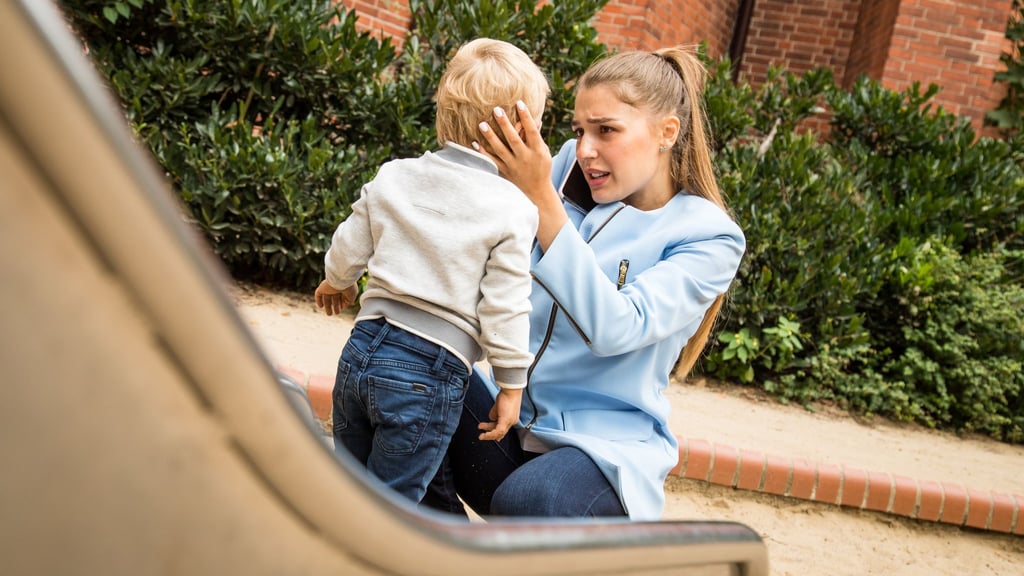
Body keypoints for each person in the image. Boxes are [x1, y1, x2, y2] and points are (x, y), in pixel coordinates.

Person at [423, 46, 746, 521]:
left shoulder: (708, 236)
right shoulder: (565, 170)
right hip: (511, 425)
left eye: (607, 130)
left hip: (601, 456)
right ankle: (443, 555)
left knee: (531, 499)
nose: (585, 148)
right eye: (579, 131)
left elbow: (618, 328)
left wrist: (544, 204)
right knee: (406, 383)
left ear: (667, 132)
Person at [313, 38, 548, 504]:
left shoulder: (395, 174)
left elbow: (350, 240)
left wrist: (336, 279)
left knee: (350, 491)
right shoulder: (513, 209)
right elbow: (504, 304)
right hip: (427, 370)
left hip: (360, 352)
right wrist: (510, 384)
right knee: (395, 507)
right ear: (518, 132)